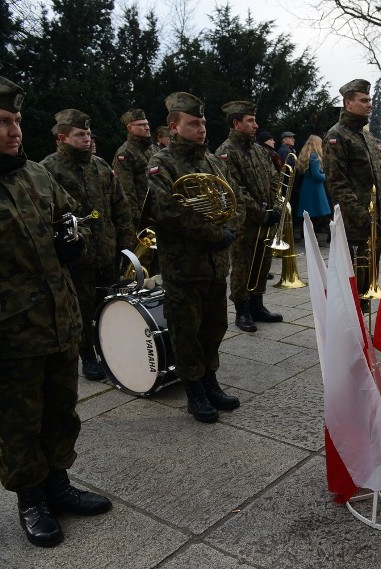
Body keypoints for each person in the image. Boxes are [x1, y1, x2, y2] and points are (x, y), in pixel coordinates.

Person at [0, 73, 112, 549]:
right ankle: (31, 499)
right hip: (9, 333)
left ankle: (58, 485)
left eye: (17, 120)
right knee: (19, 419)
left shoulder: (35, 174)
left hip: (60, 320)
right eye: (2, 121)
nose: (15, 129)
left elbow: (68, 217)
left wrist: (72, 237)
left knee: (61, 409)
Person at [146, 92, 240, 423]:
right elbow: (168, 211)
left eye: (202, 122)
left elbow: (232, 200)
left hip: (215, 265)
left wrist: (231, 227)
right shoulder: (161, 163)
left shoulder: (213, 161)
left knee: (214, 326)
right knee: (187, 331)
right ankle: (194, 391)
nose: (201, 128)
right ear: (174, 126)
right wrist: (216, 234)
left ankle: (210, 381)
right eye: (193, 123)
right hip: (183, 267)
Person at [41, 109, 136, 381]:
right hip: (78, 256)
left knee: (107, 304)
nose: (86, 139)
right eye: (80, 134)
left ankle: (108, 350)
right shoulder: (48, 168)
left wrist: (125, 245)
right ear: (62, 137)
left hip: (107, 252)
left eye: (88, 134)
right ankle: (87, 355)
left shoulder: (101, 166)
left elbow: (120, 206)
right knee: (81, 307)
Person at [215, 100, 283, 333]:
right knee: (242, 265)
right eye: (250, 120)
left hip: (264, 218)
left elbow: (274, 177)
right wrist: (261, 213)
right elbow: (234, 191)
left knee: (263, 262)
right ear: (236, 123)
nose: (256, 125)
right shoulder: (225, 152)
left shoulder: (258, 150)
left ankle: (257, 305)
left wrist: (274, 205)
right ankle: (242, 310)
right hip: (244, 221)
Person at [322, 79, 381, 312]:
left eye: (370, 100)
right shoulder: (336, 135)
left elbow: (378, 180)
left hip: (373, 221)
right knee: (352, 278)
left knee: (369, 276)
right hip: (356, 222)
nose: (369, 104)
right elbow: (337, 182)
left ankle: (363, 316)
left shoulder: (366, 136)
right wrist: (362, 215)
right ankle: (350, 325)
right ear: (348, 103)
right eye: (364, 100)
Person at [112, 108, 160, 218]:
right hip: (142, 212)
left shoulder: (155, 150)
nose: (147, 128)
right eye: (141, 125)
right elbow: (125, 189)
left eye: (147, 124)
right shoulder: (125, 154)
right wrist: (136, 216)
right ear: (130, 128)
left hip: (161, 209)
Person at [295, 134, 332, 240]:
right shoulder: (315, 156)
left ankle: (305, 233)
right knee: (317, 214)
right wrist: (327, 176)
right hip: (315, 188)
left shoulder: (307, 154)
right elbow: (316, 175)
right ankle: (311, 235)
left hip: (308, 186)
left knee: (308, 214)